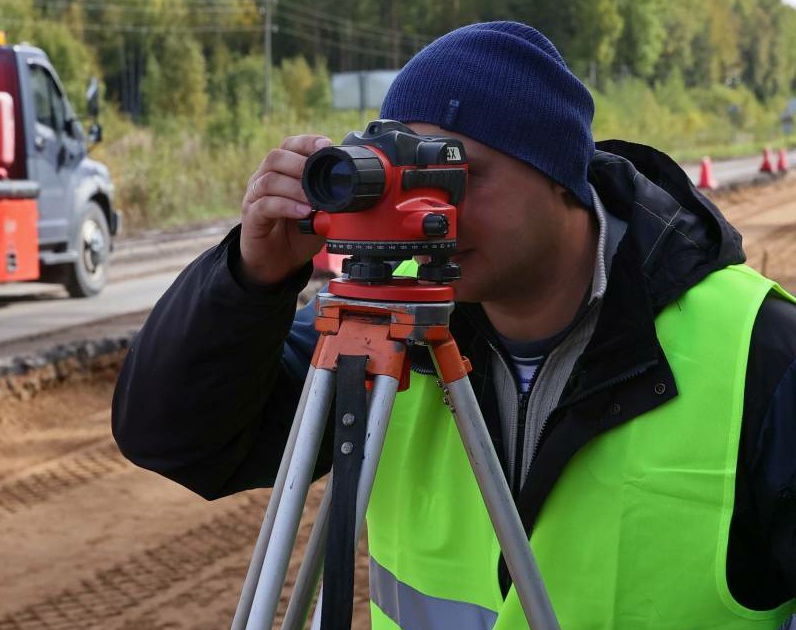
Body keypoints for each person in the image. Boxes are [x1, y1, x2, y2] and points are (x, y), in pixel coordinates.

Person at [112, 21, 796, 629]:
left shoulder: (760, 352)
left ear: (558, 173)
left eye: (457, 176)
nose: (433, 216)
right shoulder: (392, 331)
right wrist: (250, 277)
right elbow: (174, 437)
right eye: (409, 181)